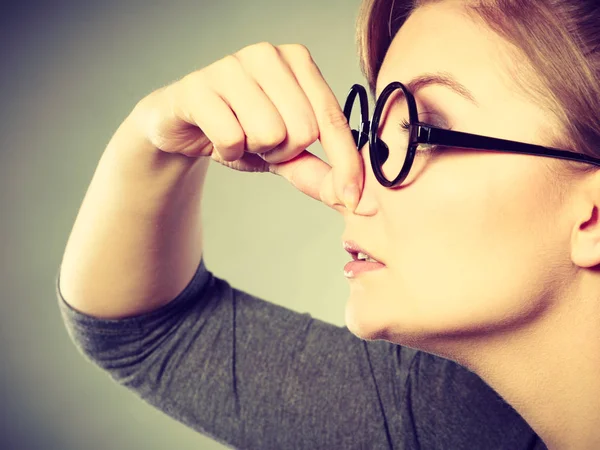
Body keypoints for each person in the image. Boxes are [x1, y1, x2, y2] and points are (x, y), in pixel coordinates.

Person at [55, 0, 600, 448]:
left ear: (593, 217)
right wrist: (158, 133)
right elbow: (145, 334)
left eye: (422, 130)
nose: (350, 181)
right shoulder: (453, 419)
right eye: (372, 135)